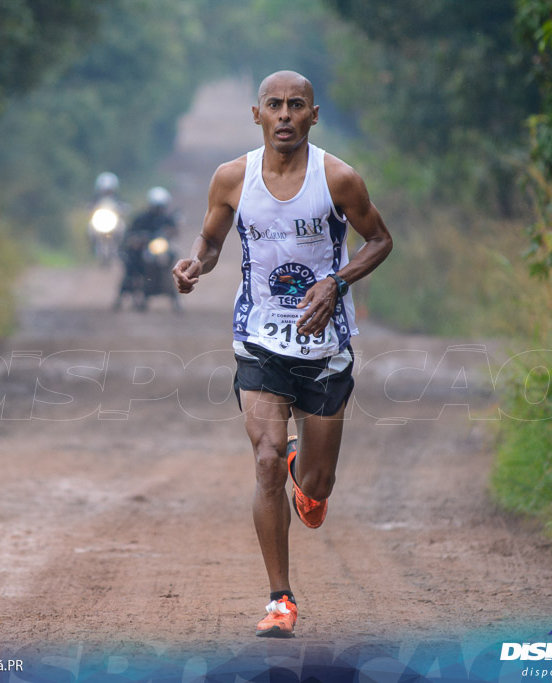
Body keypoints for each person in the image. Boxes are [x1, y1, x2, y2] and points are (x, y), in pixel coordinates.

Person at [172, 70, 393, 637]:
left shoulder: (338, 178)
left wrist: (338, 282)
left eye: (298, 105)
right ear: (258, 114)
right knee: (266, 458)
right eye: (276, 105)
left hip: (324, 344)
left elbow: (380, 239)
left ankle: (306, 469)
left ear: (313, 115)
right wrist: (197, 262)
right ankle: (280, 600)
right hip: (259, 338)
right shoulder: (232, 178)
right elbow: (213, 240)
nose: (287, 115)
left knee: (316, 488)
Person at [114, 186, 178, 310]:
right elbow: (131, 233)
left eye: (160, 206)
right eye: (156, 206)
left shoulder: (167, 218)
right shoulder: (141, 218)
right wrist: (137, 239)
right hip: (144, 249)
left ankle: (173, 292)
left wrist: (170, 232)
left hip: (160, 249)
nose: (158, 209)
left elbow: (174, 231)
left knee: (173, 255)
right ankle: (123, 294)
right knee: (131, 264)